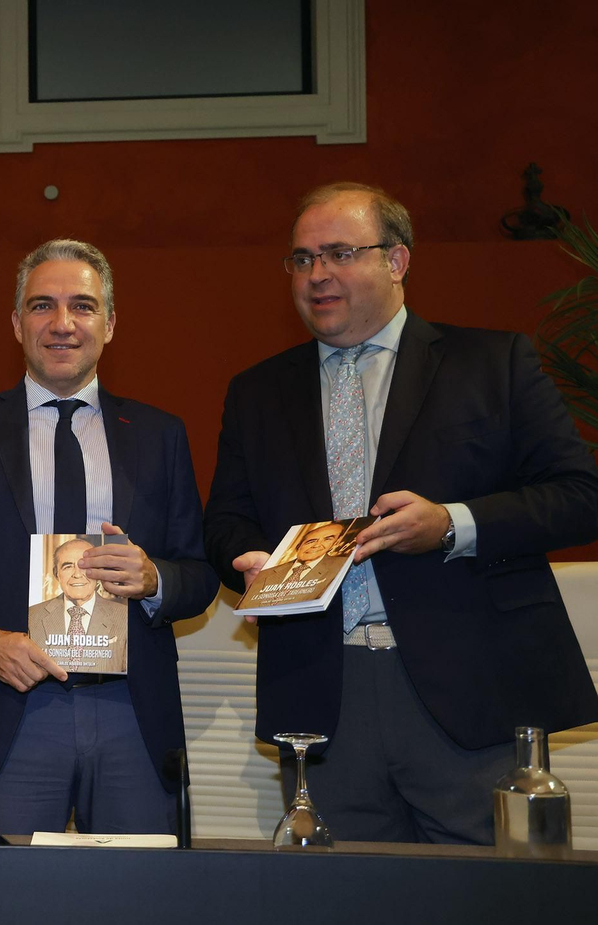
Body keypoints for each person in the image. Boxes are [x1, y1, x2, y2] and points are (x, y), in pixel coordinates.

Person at [204, 182, 598, 844]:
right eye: (301, 259)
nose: (316, 274)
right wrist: (244, 557)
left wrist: (451, 524)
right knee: (342, 901)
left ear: (397, 260)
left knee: (494, 902)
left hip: (467, 693)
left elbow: (581, 494)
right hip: (322, 698)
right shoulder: (257, 391)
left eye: (338, 253)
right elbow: (226, 521)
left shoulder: (492, 364)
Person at [0, 239, 217, 835]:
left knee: (139, 902)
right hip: (11, 707)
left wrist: (155, 579)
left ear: (109, 323)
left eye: (82, 305)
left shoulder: (160, 435)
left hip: (133, 708)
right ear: (17, 323)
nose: (62, 323)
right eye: (42, 305)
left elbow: (199, 573)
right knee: (5, 904)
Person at [27, 537, 128, 674]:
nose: (77, 574)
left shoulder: (124, 617)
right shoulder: (32, 616)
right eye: (68, 566)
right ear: (57, 574)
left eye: (85, 566)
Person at [249, 522, 346, 593]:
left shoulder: (341, 565)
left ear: (335, 544)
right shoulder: (267, 572)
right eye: (311, 541)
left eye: (327, 539)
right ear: (299, 546)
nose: (316, 545)